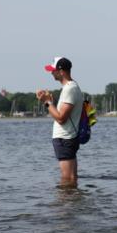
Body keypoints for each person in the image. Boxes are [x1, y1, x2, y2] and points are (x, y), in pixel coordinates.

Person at [36, 56, 83, 187]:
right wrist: (51, 103)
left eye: (53, 70)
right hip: (68, 137)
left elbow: (61, 118)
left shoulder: (69, 89)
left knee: (67, 178)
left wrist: (46, 102)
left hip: (65, 139)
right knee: (71, 177)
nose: (51, 73)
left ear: (61, 71)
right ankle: (73, 205)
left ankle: (66, 205)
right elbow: (62, 114)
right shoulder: (71, 87)